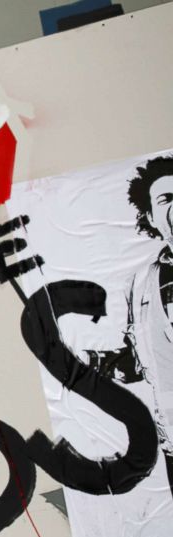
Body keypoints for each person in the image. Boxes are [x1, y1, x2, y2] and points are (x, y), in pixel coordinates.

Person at [86, 154, 173, 498]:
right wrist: (103, 366)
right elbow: (142, 360)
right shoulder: (141, 284)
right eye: (166, 200)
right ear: (151, 217)